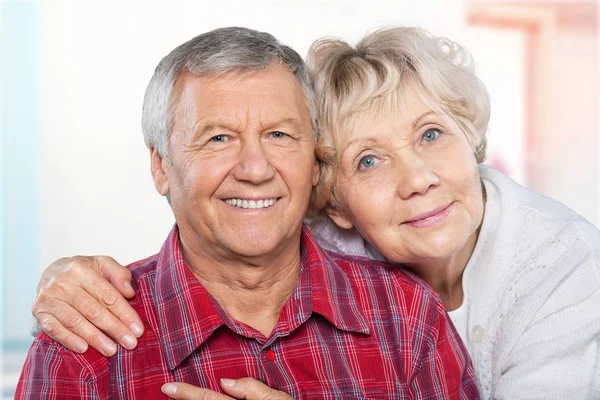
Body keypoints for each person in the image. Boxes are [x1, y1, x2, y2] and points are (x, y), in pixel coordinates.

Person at [31, 26, 600, 399]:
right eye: (218, 138)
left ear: (308, 164)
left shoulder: (414, 315)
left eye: (280, 134)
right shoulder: (86, 341)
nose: (256, 167)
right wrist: (59, 282)